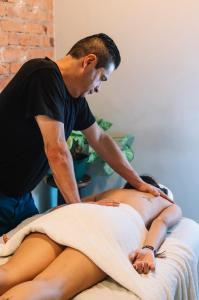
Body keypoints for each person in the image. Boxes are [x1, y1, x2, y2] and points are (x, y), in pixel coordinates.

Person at [0, 33, 170, 236]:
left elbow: (100, 139)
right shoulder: (42, 75)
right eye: (102, 78)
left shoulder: (75, 100)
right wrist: (78, 210)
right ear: (89, 61)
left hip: (21, 197)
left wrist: (138, 182)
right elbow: (56, 149)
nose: (98, 88)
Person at [0, 176, 182, 299]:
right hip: (112, 223)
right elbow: (162, 223)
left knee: (9, 273)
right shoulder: (166, 201)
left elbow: (73, 205)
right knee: (49, 286)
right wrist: (148, 250)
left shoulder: (111, 193)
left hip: (75, 212)